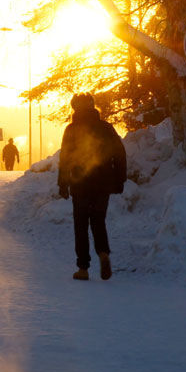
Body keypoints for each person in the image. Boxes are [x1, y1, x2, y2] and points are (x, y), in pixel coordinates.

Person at [57, 93, 127, 281]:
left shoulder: (71, 129)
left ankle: (83, 268)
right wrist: (120, 179)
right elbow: (119, 153)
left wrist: (62, 183)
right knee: (98, 221)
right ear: (92, 106)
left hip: (80, 183)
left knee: (80, 225)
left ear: (74, 108)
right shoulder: (106, 128)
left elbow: (65, 159)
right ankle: (103, 254)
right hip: (103, 184)